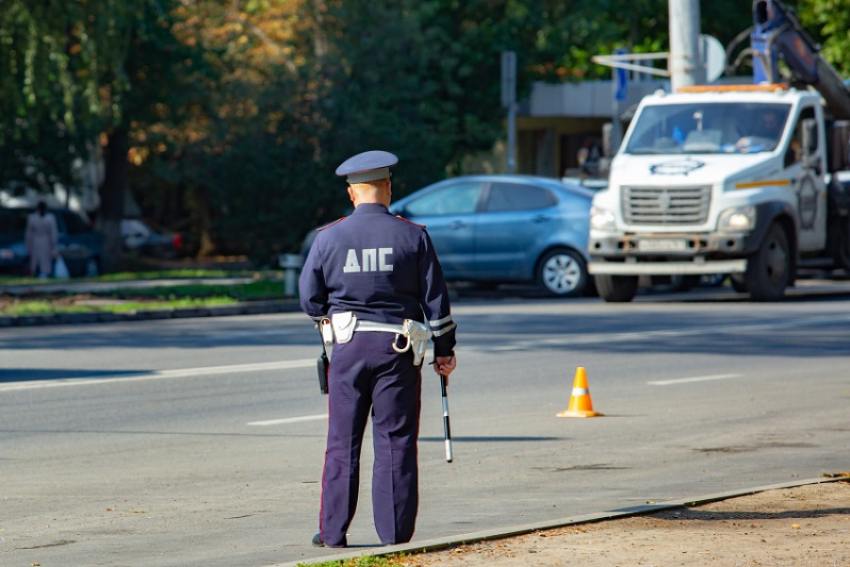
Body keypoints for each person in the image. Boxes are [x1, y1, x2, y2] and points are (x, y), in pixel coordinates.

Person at [298, 150, 458, 549]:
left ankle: (333, 533)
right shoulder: (412, 235)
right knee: (396, 441)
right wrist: (444, 350)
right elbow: (436, 301)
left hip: (348, 350)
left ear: (352, 194)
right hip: (397, 350)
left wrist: (329, 316)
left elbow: (309, 298)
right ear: (388, 188)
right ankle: (395, 534)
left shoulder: (328, 237)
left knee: (342, 442)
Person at [25, 202, 59, 278]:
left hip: (37, 241)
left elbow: (28, 235)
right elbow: (53, 233)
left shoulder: (32, 218)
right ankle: (40, 273)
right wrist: (54, 246)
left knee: (40, 259)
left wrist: (28, 245)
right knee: (41, 260)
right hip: (44, 241)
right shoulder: (50, 218)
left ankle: (39, 273)